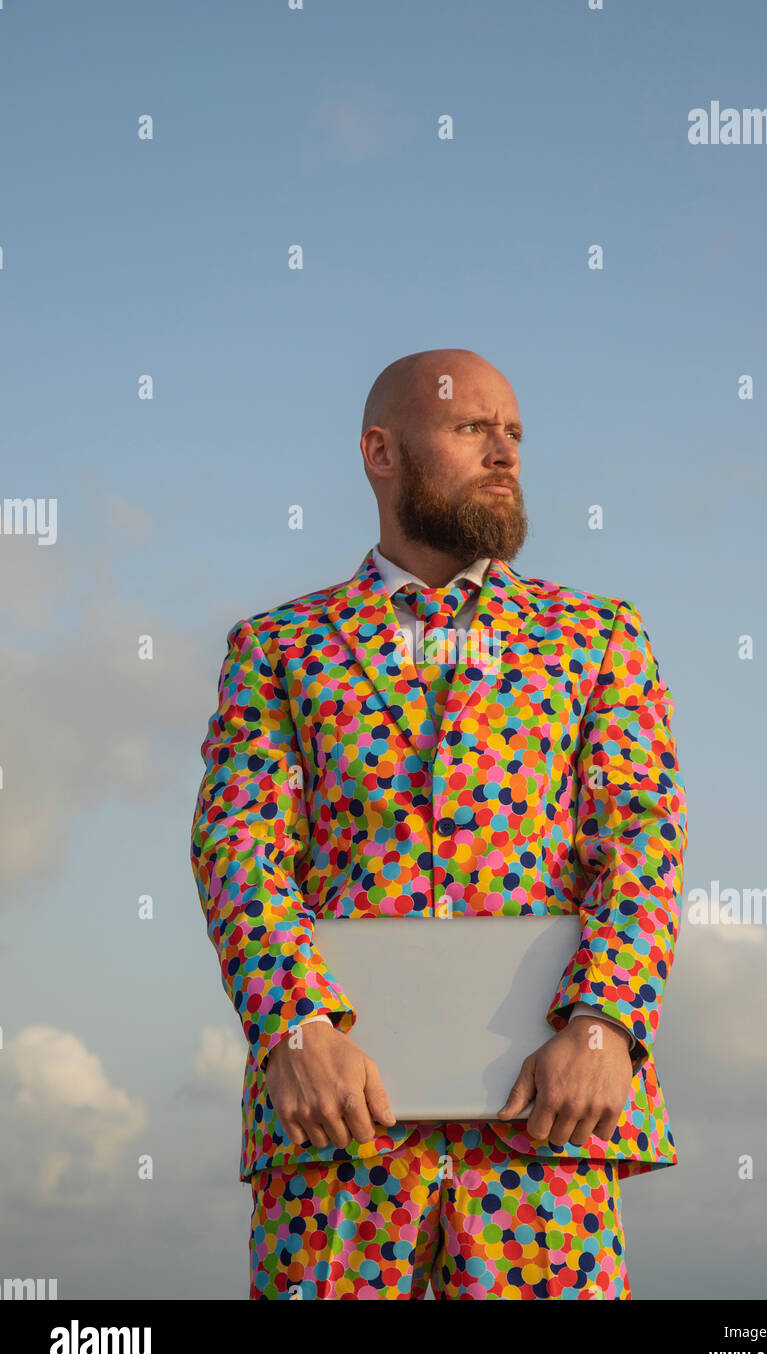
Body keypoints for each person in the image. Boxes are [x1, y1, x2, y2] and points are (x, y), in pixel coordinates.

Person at [190, 348, 687, 1299]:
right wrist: (294, 1029)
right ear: (381, 451)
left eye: (514, 434)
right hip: (337, 1121)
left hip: (544, 1130)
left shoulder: (600, 637)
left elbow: (640, 840)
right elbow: (239, 845)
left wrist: (607, 1025)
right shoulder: (277, 646)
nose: (504, 453)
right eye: (471, 429)